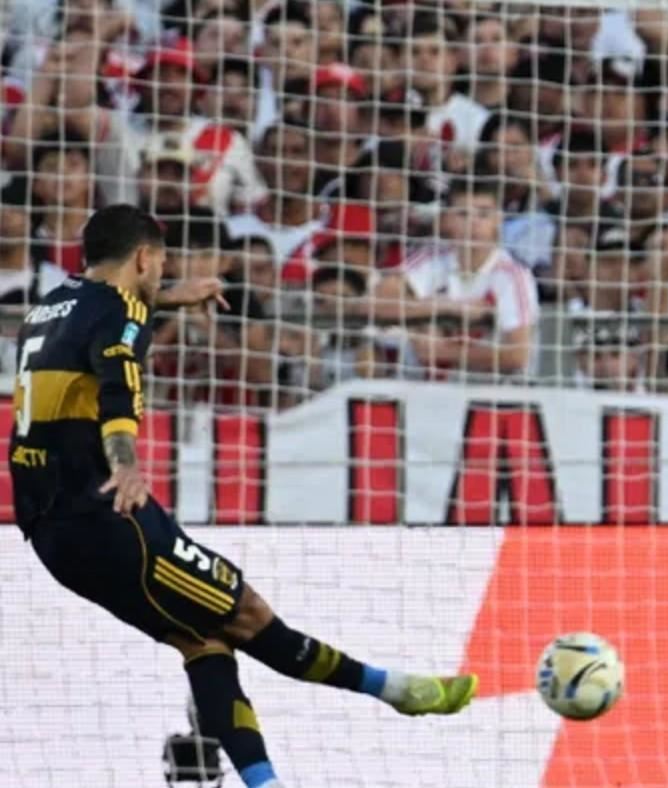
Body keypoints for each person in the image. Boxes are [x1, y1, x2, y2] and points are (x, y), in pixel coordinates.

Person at [10, 206, 478, 788]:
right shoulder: (121, 311)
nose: (162, 276)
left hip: (50, 532)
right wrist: (126, 463)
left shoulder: (50, 306)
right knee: (250, 616)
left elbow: (102, 327)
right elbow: (116, 390)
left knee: (200, 639)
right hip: (109, 516)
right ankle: (396, 690)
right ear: (144, 258)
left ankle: (266, 782)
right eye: (162, 267)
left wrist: (172, 298)